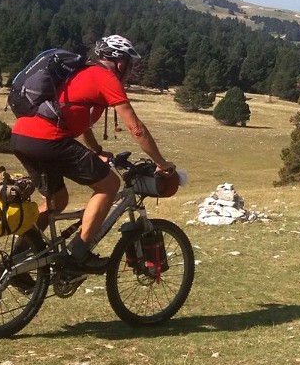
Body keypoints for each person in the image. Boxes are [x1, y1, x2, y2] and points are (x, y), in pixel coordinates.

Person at [10, 35, 176, 273]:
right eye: (131, 64)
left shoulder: (82, 73)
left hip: (22, 137)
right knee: (109, 184)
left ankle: (18, 262)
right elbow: (136, 128)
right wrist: (161, 163)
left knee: (56, 201)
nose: (131, 70)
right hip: (49, 139)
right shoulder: (106, 78)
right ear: (120, 62)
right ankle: (79, 251)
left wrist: (96, 150)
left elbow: (78, 118)